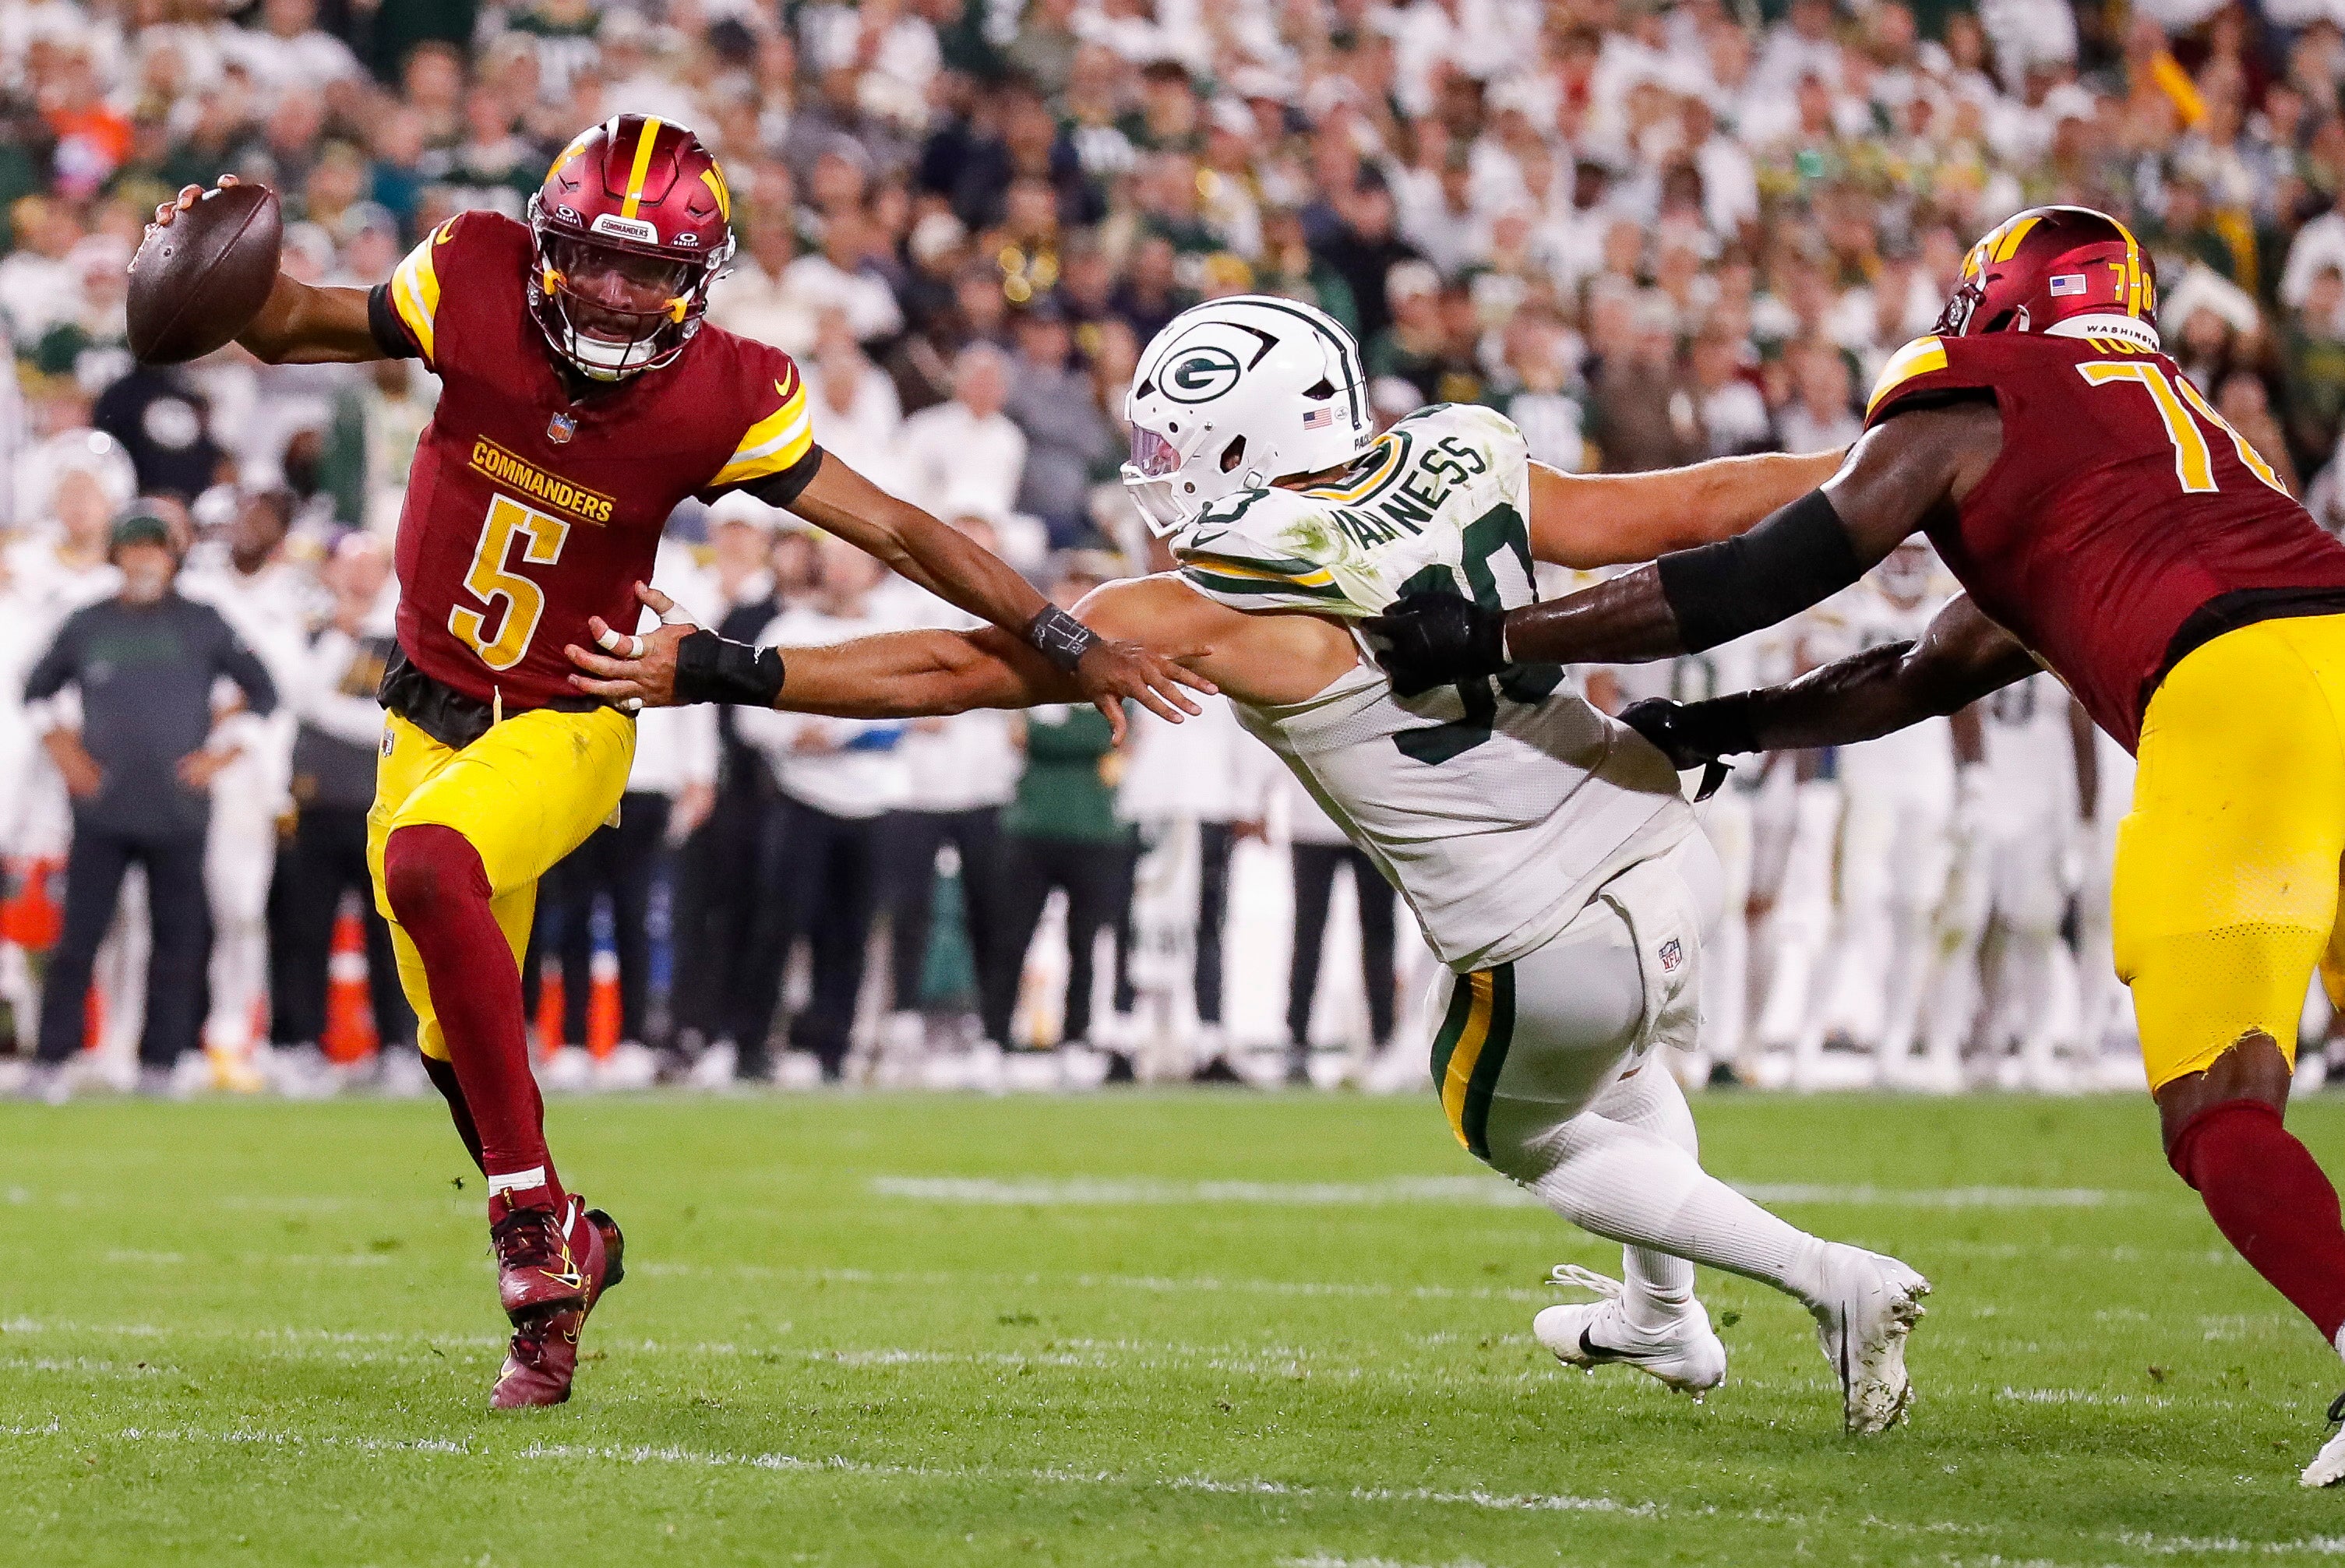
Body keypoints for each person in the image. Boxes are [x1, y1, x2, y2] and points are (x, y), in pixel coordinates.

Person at [569, 294, 1933, 1435]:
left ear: (1242, 436)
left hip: (1541, 923)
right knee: (1628, 1077)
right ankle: (1659, 1317)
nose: (1158, 467)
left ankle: (1826, 1276)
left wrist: (723, 664)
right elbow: (1688, 502)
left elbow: (952, 664)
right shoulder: (1464, 451)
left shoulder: (1217, 590)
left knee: (1509, 1120)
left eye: (1176, 440)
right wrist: (1894, 477)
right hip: (1656, 834)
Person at [147, 115, 1202, 1410]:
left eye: (650, 273)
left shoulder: (724, 391)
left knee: (426, 869)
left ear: (699, 284)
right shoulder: (471, 271)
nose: (614, 292)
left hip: (570, 714)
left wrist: (1053, 626)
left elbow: (903, 531)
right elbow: (290, 323)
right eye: (592, 260)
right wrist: (210, 263)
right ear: (544, 248)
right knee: (451, 1041)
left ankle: (529, 1242)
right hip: (423, 713)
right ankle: (571, 1244)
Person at [1360, 206, 2345, 1482]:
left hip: (2238, 703)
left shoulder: (1985, 392)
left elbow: (1762, 574)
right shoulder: (2177, 438)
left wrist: (1503, 637)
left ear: (2000, 301)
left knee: (2221, 1104)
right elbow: (1924, 667)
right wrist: (1726, 719)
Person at [19, 509, 277, 1100]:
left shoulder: (203, 622)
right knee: (79, 936)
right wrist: (63, 751)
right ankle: (51, 1059)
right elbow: (34, 689)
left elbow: (264, 690)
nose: (143, 559)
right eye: (133, 548)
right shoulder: (87, 622)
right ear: (115, 555)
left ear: (173, 556)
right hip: (101, 811)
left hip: (178, 811)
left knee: (179, 939)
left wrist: (222, 753)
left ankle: (162, 1061)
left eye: (155, 548)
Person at [273, 531, 418, 1091]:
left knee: (392, 935)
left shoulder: (408, 632)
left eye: (371, 566)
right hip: (316, 802)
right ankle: (300, 1043)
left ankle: (400, 1046)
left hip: (384, 804)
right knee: (303, 931)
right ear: (330, 571)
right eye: (350, 566)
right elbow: (299, 695)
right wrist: (340, 635)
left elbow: (398, 717)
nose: (359, 578)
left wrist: (333, 711)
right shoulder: (312, 629)